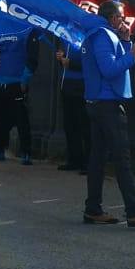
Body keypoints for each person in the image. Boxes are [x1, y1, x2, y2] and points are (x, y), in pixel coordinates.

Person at [80, 0, 135, 227]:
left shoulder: (99, 34)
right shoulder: (103, 35)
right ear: (112, 18)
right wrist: (134, 54)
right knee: (122, 159)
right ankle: (134, 211)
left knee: (98, 158)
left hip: (99, 101)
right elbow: (110, 69)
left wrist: (126, 42)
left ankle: (93, 208)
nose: (124, 20)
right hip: (107, 103)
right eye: (121, 16)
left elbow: (112, 63)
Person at [0, 29, 39, 165]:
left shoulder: (29, 31)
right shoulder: (0, 31)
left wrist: (24, 80)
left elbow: (32, 59)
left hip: (16, 83)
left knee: (21, 119)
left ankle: (26, 152)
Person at [55, 39, 89, 172]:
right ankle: (74, 159)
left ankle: (87, 162)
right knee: (70, 125)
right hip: (67, 84)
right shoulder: (65, 37)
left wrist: (72, 64)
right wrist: (60, 58)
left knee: (84, 125)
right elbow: (63, 60)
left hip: (81, 85)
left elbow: (89, 62)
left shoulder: (86, 37)